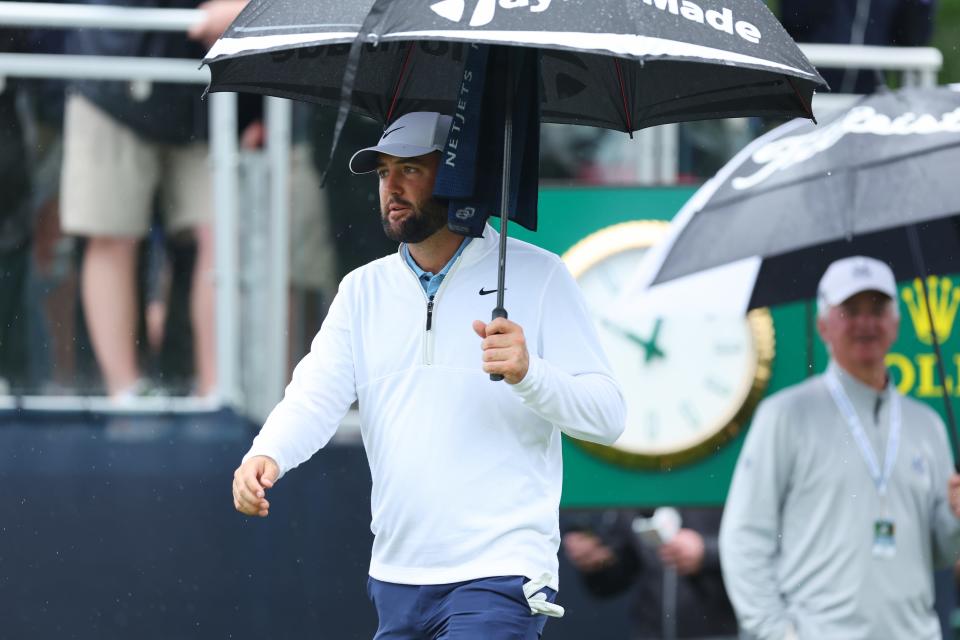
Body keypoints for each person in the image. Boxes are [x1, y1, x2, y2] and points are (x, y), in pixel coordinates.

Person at [231, 111, 627, 639]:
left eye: (410, 171)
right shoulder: (360, 290)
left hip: (502, 574)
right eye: (382, 174)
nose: (390, 188)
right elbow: (313, 398)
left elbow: (608, 416)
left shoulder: (543, 275)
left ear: (462, 176)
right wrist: (268, 452)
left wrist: (530, 374)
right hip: (395, 577)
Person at [719, 255, 960, 639]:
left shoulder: (927, 425)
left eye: (878, 309)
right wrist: (775, 631)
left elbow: (941, 552)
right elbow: (744, 536)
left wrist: (956, 519)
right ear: (823, 325)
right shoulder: (784, 415)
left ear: (896, 324)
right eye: (850, 310)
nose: (866, 323)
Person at [58, 0, 246, 400]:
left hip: (214, 83)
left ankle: (218, 393)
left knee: (224, 238)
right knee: (112, 234)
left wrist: (251, 7)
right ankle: (126, 395)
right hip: (113, 70)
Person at [562, 508, 739, 640]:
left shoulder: (728, 470)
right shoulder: (637, 478)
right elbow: (613, 578)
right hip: (650, 633)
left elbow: (760, 549)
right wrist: (596, 560)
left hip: (724, 631)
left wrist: (707, 553)